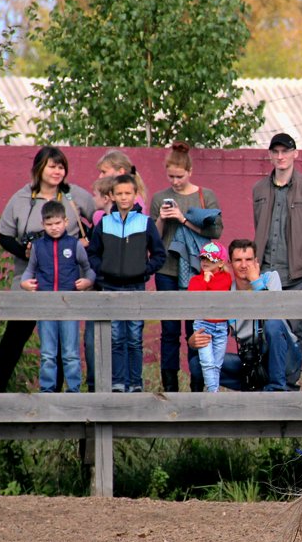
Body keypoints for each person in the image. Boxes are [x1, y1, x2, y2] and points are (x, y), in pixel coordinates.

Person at [0, 147, 95, 392]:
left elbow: (99, 219)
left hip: (65, 280)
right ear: (39, 168)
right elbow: (4, 236)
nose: (57, 171)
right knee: (16, 333)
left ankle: (54, 395)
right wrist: (23, 250)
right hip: (30, 279)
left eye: (61, 166)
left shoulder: (74, 196)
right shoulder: (21, 198)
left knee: (60, 338)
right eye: (52, 166)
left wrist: (85, 241)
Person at [150, 142, 223, 393]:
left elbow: (215, 231)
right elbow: (154, 239)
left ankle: (198, 384)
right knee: (169, 332)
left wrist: (183, 218)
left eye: (179, 176)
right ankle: (169, 388)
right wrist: (162, 217)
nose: (175, 181)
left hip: (198, 271)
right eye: (170, 176)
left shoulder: (205, 195)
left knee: (198, 329)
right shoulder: (160, 197)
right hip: (166, 271)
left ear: (190, 171)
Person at [87, 174, 166, 392]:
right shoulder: (104, 223)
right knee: (115, 338)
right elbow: (92, 253)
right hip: (110, 288)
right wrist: (103, 271)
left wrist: (143, 271)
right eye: (119, 193)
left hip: (136, 288)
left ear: (135, 195)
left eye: (127, 193)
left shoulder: (145, 223)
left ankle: (135, 383)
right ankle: (118, 383)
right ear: (112, 195)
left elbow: (159, 255)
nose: (123, 197)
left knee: (133, 337)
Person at [189, 239, 302, 392]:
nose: (244, 265)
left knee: (273, 324)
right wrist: (193, 341)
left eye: (248, 260)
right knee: (196, 364)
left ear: (256, 262)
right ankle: (255, 386)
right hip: (253, 361)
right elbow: (212, 325)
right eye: (238, 260)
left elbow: (272, 313)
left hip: (284, 356)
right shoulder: (227, 291)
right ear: (229, 263)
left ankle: (277, 389)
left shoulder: (270, 278)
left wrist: (255, 281)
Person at [252, 132, 302, 356]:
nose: (280, 156)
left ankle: (291, 384)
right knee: (267, 328)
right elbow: (259, 225)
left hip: (298, 272)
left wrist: (300, 243)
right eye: (275, 152)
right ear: (270, 156)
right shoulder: (259, 189)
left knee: (295, 329)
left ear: (295, 154)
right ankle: (272, 385)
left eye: (285, 151)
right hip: (265, 270)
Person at [20, 200, 95, 393]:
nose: (54, 228)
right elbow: (29, 271)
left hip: (69, 307)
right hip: (45, 307)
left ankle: (73, 390)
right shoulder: (37, 246)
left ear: (66, 221)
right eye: (49, 224)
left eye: (57, 223)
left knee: (70, 353)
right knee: (47, 353)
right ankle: (47, 390)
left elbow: (89, 270)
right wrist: (24, 283)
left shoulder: (74, 245)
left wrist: (87, 282)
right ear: (43, 224)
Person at [186, 242, 232, 393]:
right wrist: (205, 281)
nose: (205, 262)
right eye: (203, 259)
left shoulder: (226, 278)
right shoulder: (195, 280)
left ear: (220, 262)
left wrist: (209, 282)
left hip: (220, 326)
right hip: (203, 325)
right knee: (207, 362)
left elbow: (219, 294)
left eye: (210, 259)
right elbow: (195, 298)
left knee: (217, 364)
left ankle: (213, 392)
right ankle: (214, 395)